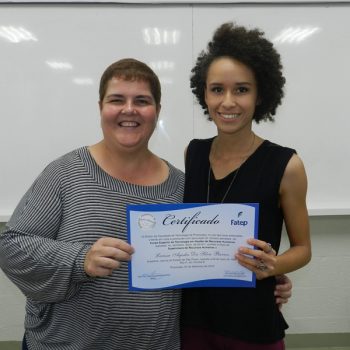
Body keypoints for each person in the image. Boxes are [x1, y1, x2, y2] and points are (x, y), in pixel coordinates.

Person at [0, 58, 292, 350]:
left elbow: (204, 261)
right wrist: (80, 260)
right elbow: (10, 245)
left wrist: (261, 276)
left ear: (157, 111)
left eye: (142, 100)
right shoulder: (67, 172)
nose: (129, 109)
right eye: (117, 99)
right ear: (101, 107)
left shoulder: (183, 187)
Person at [181, 22, 312, 349]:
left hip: (253, 326)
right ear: (204, 93)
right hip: (192, 322)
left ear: (260, 94)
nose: (227, 102)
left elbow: (303, 250)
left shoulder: (286, 164)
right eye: (216, 89)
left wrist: (274, 267)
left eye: (241, 89)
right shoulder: (193, 152)